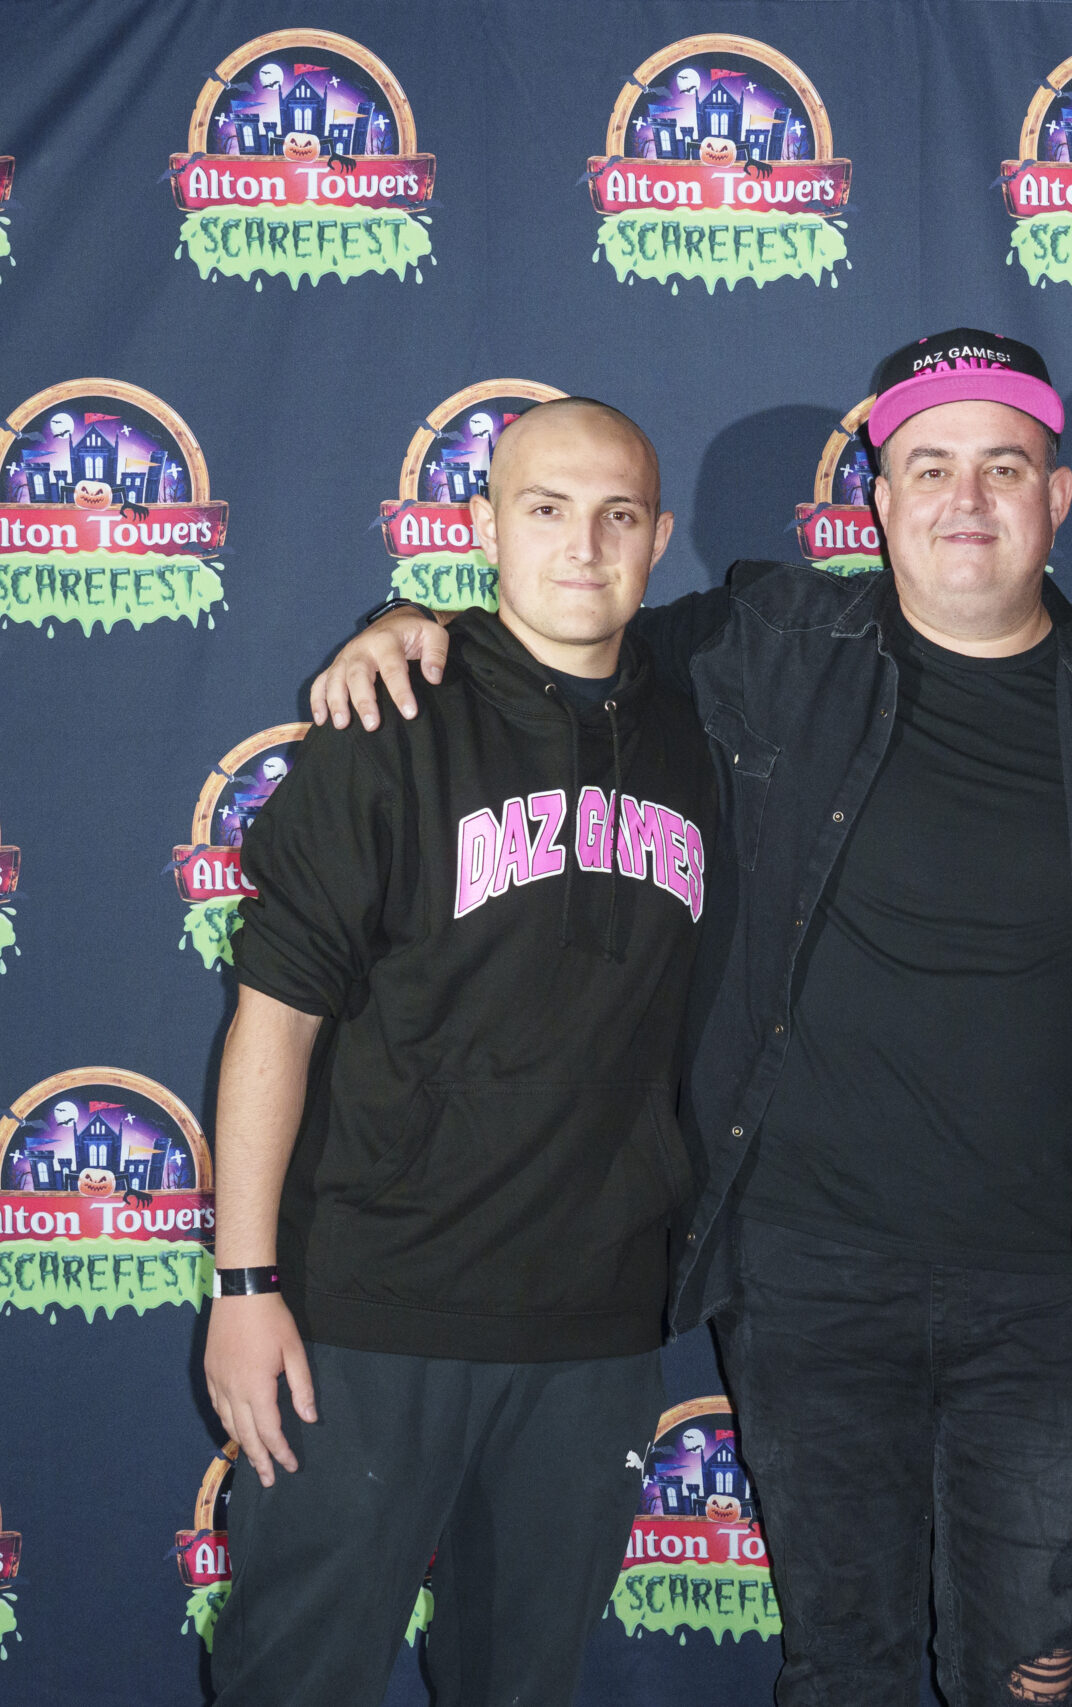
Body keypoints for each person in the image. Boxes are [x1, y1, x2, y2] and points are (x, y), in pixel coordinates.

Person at [308, 330, 1072, 1705]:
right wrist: (417, 626)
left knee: (1025, 1672)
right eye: (927, 465)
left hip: (1048, 1285)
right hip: (810, 1275)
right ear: (875, 502)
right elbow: (560, 642)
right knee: (846, 1663)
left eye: (1004, 466)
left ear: (1056, 500)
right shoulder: (766, 640)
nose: (965, 497)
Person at [200, 398, 716, 1707]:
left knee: (521, 1682)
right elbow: (276, 1016)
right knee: (293, 1675)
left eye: (617, 515)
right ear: (483, 526)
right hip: (370, 1312)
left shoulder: (715, 726)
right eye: (545, 509)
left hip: (594, 1324)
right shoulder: (393, 718)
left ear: (660, 536)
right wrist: (246, 1279)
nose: (583, 546)